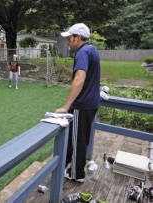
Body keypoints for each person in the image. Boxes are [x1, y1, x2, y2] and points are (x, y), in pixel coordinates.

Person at [55, 23, 101, 182]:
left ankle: (76, 174)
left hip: (82, 105)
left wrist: (66, 106)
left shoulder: (82, 52)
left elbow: (80, 79)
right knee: (81, 138)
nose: (68, 41)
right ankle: (71, 166)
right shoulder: (93, 50)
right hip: (92, 103)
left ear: (78, 38)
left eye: (70, 38)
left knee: (77, 140)